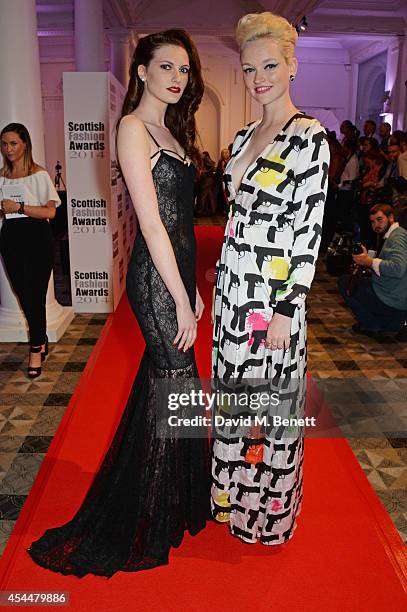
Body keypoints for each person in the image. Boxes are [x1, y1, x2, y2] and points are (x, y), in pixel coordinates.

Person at [27, 29, 210, 577]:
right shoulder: (133, 129)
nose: (177, 78)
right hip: (155, 282)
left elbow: (180, 224)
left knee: (171, 386)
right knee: (176, 384)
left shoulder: (170, 130)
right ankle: (147, 512)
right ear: (141, 72)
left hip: (174, 275)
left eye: (185, 70)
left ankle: (169, 504)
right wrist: (179, 297)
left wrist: (193, 284)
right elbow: (152, 225)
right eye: (167, 67)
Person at [211, 12, 329, 545]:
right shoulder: (239, 138)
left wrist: (288, 307)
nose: (259, 78)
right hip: (231, 292)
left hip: (271, 300)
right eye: (249, 68)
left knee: (273, 407)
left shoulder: (310, 138)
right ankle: (235, 507)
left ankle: (270, 517)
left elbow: (309, 229)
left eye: (270, 66)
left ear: (292, 66)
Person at [0, 123, 60, 378]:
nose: (9, 149)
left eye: (13, 143)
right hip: (10, 238)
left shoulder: (40, 175)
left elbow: (51, 211)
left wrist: (20, 207)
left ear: (25, 144)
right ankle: (42, 336)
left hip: (37, 236)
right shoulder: (1, 177)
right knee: (23, 293)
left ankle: (36, 348)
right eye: (4, 144)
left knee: (35, 294)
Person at [338, 203, 407, 333]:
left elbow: (398, 268)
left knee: (345, 282)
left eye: (379, 220)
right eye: (372, 222)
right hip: (396, 297)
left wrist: (369, 261)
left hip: (393, 300)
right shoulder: (395, 235)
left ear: (391, 217)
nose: (376, 225)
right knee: (358, 280)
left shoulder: (397, 237)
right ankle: (384, 323)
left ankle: (372, 324)